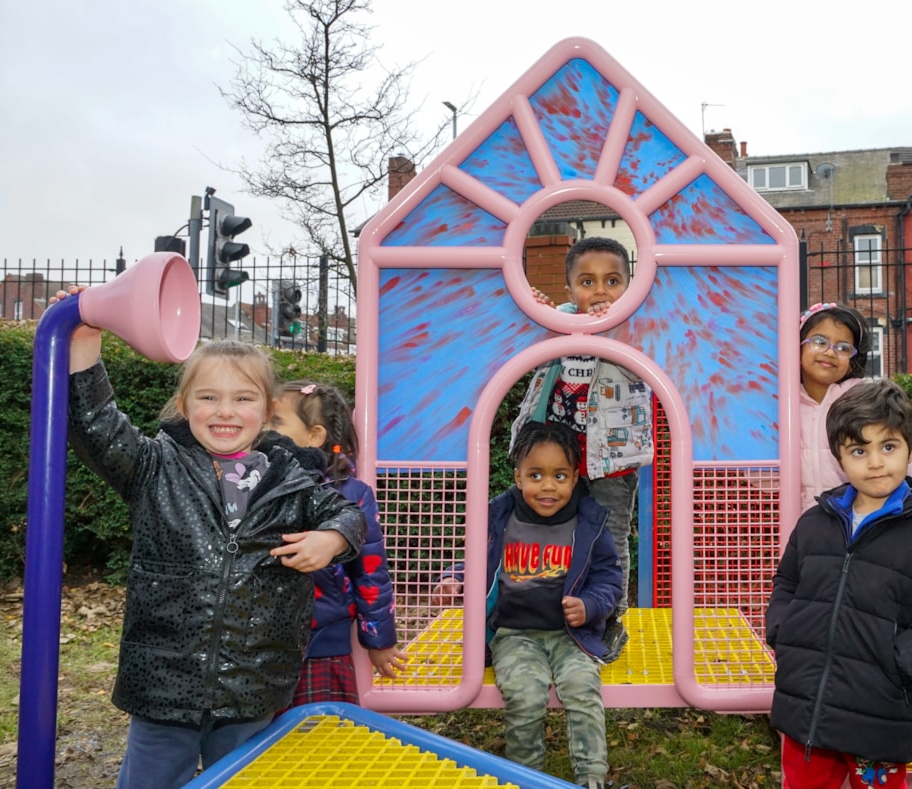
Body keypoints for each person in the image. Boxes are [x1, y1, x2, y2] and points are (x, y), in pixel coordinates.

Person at [58, 304, 367, 789]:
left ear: (265, 412)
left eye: (243, 398)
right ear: (184, 406)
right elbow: (95, 423)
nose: (225, 411)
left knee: (240, 779)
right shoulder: (154, 466)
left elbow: (349, 515)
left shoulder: (291, 477)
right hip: (163, 677)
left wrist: (331, 539)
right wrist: (85, 335)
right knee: (151, 779)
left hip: (254, 677)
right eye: (208, 397)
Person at [766, 379, 912, 789]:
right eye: (859, 450)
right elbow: (786, 581)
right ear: (841, 458)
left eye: (888, 447)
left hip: (879, 711)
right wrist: (783, 632)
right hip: (807, 705)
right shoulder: (814, 524)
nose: (875, 462)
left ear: (911, 450)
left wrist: (901, 663)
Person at [433, 420, 622, 789]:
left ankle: (592, 777)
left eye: (560, 476)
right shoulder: (501, 517)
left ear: (574, 478)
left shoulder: (588, 522)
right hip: (514, 633)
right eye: (536, 475)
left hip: (572, 634)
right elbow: (477, 558)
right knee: (525, 694)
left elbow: (608, 577)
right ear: (518, 477)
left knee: (583, 689)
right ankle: (528, 778)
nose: (548, 486)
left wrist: (590, 605)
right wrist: (455, 578)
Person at [512, 236, 653, 663]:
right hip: (560, 458)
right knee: (557, 533)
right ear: (571, 289)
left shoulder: (634, 323)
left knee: (608, 536)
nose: (600, 291)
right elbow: (523, 339)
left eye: (613, 281)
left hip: (612, 457)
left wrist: (619, 318)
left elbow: (653, 347)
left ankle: (610, 618)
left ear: (631, 285)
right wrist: (535, 308)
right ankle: (554, 608)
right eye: (587, 282)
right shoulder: (557, 320)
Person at [270, 380, 407, 705]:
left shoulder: (351, 494)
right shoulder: (250, 481)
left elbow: (371, 574)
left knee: (325, 735)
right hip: (258, 642)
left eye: (275, 422)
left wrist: (379, 640)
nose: (263, 429)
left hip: (322, 642)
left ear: (314, 436)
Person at [797, 302, 912, 514]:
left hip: (861, 522)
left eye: (843, 348)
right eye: (819, 342)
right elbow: (765, 482)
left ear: (852, 362)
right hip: (800, 527)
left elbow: (900, 469)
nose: (830, 352)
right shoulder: (782, 407)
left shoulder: (867, 404)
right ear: (798, 347)